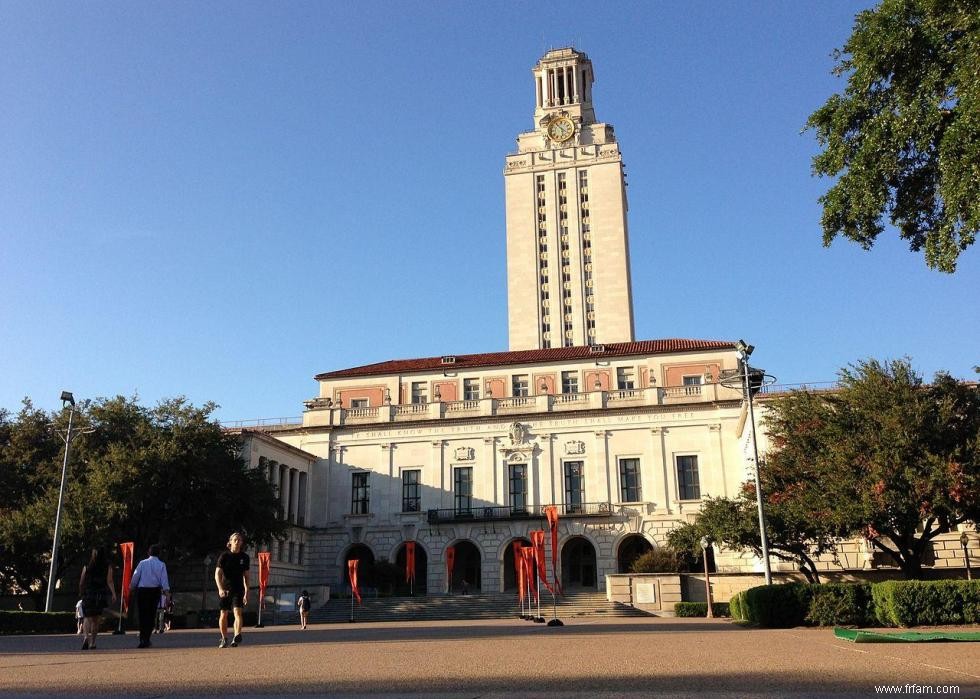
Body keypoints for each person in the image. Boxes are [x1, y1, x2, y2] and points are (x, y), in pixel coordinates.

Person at [129, 544, 170, 649]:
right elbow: (164, 580)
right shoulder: (161, 565)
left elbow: (136, 576)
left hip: (142, 590)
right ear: (159, 554)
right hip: (154, 591)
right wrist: (167, 593)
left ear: (148, 553)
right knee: (151, 615)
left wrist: (132, 586)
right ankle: (147, 638)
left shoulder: (142, 563)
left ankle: (142, 637)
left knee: (142, 614)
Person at [215, 532, 249, 648]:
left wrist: (246, 592)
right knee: (223, 614)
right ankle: (224, 638)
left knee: (237, 612)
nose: (237, 542)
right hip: (225, 589)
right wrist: (220, 589)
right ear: (230, 542)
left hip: (238, 589)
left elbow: (246, 576)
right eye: (235, 540)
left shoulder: (244, 558)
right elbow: (217, 574)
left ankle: (237, 635)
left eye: (239, 540)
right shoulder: (224, 556)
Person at [78, 547, 116, 651]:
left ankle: (86, 637)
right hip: (100, 595)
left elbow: (81, 581)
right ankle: (93, 642)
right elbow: (110, 581)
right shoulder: (107, 567)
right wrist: (113, 593)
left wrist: (81, 592)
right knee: (96, 620)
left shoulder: (87, 567)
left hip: (88, 593)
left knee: (86, 617)